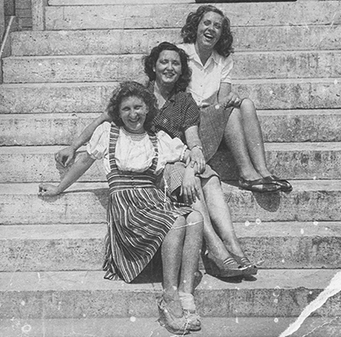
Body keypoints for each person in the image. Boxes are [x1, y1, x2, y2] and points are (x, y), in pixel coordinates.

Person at [54, 42, 258, 280]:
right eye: (164, 62)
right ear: (153, 66)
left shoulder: (184, 100)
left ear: (182, 70)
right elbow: (102, 121)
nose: (169, 67)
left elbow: (191, 136)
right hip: (158, 166)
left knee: (210, 179)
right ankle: (216, 249)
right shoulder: (138, 96)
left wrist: (196, 154)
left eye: (175, 63)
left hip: (177, 154)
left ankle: (233, 246)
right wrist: (73, 145)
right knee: (183, 177)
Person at [39, 82, 203, 334]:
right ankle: (169, 297)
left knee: (195, 218)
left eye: (138, 107)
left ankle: (185, 292)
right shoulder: (108, 133)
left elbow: (190, 155)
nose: (133, 114)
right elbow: (83, 161)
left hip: (153, 201)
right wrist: (59, 188)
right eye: (126, 109)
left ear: (148, 109)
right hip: (127, 209)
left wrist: (191, 170)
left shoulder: (158, 138)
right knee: (177, 220)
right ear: (118, 112)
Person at [178, 4, 291, 193]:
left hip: (209, 120)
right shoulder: (180, 53)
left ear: (222, 33)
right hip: (188, 128)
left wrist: (231, 98)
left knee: (245, 103)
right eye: (206, 23)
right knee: (230, 109)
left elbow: (222, 101)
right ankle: (246, 173)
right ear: (196, 26)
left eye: (217, 26)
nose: (210, 29)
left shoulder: (223, 59)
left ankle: (262, 170)